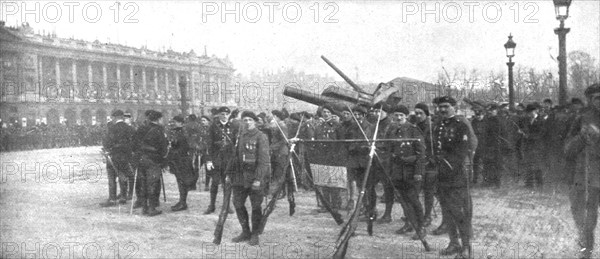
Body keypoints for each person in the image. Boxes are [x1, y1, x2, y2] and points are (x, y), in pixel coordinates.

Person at [433, 96, 473, 258]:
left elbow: (462, 151)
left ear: (454, 107)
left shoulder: (461, 125)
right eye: (440, 107)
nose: (442, 109)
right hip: (442, 175)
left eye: (446, 106)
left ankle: (466, 247)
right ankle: (453, 243)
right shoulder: (439, 125)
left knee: (459, 211)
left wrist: (448, 166)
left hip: (456, 175)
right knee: (447, 211)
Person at [566, 83, 600, 259]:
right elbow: (568, 149)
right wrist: (582, 137)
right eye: (597, 98)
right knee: (586, 219)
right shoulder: (582, 119)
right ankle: (586, 252)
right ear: (590, 100)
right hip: (589, 177)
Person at [229, 111, 270, 246]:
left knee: (256, 207)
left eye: (249, 120)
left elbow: (263, 161)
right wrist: (230, 174)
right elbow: (236, 157)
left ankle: (255, 234)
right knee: (238, 204)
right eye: (244, 120)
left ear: (255, 121)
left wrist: (258, 179)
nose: (247, 122)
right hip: (240, 178)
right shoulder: (241, 136)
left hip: (254, 177)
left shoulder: (261, 137)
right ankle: (245, 231)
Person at [387, 104, 427, 240]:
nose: (398, 118)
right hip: (398, 172)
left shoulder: (414, 130)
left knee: (414, 200)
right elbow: (390, 151)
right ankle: (409, 223)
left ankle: (421, 227)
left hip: (411, 172)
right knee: (403, 200)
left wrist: (418, 173)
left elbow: (421, 154)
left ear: (406, 116)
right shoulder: (393, 131)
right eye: (396, 115)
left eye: (401, 115)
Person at [132, 110, 168, 216]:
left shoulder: (141, 128)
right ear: (158, 119)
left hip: (141, 159)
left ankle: (144, 207)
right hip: (153, 160)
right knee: (152, 183)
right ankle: (152, 208)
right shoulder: (159, 130)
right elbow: (163, 149)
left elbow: (133, 144)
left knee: (142, 183)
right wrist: (163, 161)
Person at [204, 106, 238, 214]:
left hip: (228, 159)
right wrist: (209, 160)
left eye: (226, 114)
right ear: (218, 115)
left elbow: (235, 143)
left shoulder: (233, 127)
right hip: (216, 158)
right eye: (222, 114)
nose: (224, 116)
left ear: (229, 115)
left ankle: (227, 205)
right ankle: (212, 205)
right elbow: (208, 144)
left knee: (227, 183)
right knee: (214, 182)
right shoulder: (213, 127)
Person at [100, 110, 135, 207]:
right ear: (122, 117)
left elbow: (107, 142)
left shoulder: (112, 128)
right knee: (122, 175)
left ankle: (112, 199)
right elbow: (134, 142)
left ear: (114, 117)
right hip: (125, 156)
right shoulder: (129, 128)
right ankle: (123, 196)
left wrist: (106, 149)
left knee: (112, 177)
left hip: (114, 155)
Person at [167, 115, 199, 211]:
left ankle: (183, 202)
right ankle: (182, 201)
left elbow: (187, 146)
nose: (174, 123)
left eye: (176, 122)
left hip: (183, 159)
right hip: (176, 159)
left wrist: (174, 149)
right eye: (174, 121)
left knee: (182, 181)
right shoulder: (175, 131)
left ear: (181, 123)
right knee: (179, 180)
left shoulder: (185, 132)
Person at [414, 102, 436, 227]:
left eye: (420, 113)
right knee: (415, 191)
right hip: (418, 164)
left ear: (426, 114)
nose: (418, 116)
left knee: (428, 192)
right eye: (416, 113)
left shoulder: (432, 127)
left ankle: (427, 216)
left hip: (430, 164)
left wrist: (432, 159)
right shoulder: (414, 127)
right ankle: (416, 216)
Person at [518, 103, 547, 188]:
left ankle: (539, 184)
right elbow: (525, 129)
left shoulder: (541, 120)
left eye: (531, 112)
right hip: (528, 146)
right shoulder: (527, 120)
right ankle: (529, 184)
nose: (529, 114)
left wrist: (529, 136)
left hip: (537, 146)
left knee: (537, 165)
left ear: (536, 111)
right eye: (528, 112)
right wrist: (522, 131)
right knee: (528, 164)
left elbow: (541, 133)